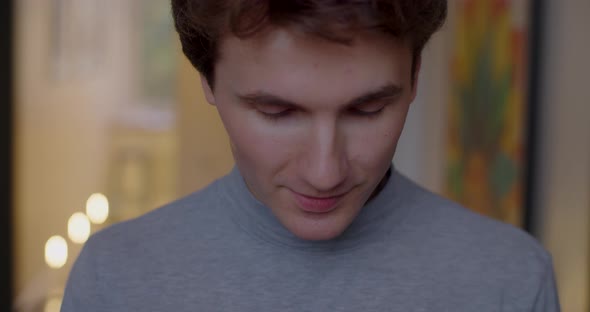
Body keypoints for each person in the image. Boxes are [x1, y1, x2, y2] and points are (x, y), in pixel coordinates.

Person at [62, 1, 560, 311]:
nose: (326, 173)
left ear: (416, 76)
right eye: (277, 112)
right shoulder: (117, 279)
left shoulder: (509, 280)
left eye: (368, 109)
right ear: (207, 80)